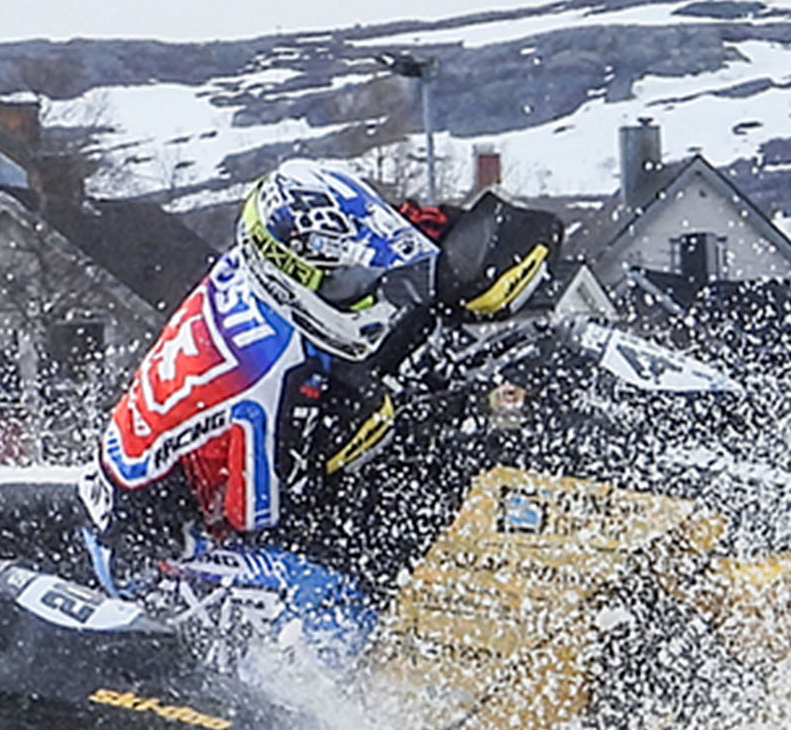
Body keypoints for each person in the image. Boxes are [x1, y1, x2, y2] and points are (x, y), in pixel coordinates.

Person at [93, 157, 557, 625]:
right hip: (155, 556)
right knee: (334, 596)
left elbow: (388, 236)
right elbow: (268, 526)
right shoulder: (261, 377)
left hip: (157, 488)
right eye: (350, 285)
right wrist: (415, 422)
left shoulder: (269, 254)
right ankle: (330, 695)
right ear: (293, 281)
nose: (371, 296)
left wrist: (474, 245)